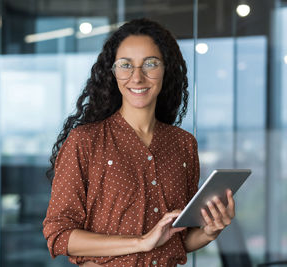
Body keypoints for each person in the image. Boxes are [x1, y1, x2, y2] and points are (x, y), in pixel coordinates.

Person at [43, 18, 235, 267]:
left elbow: (180, 239)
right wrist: (141, 242)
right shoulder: (85, 142)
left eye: (150, 64)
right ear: (113, 72)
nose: (137, 77)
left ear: (166, 69)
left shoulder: (184, 144)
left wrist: (210, 231)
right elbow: (59, 236)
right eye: (125, 65)